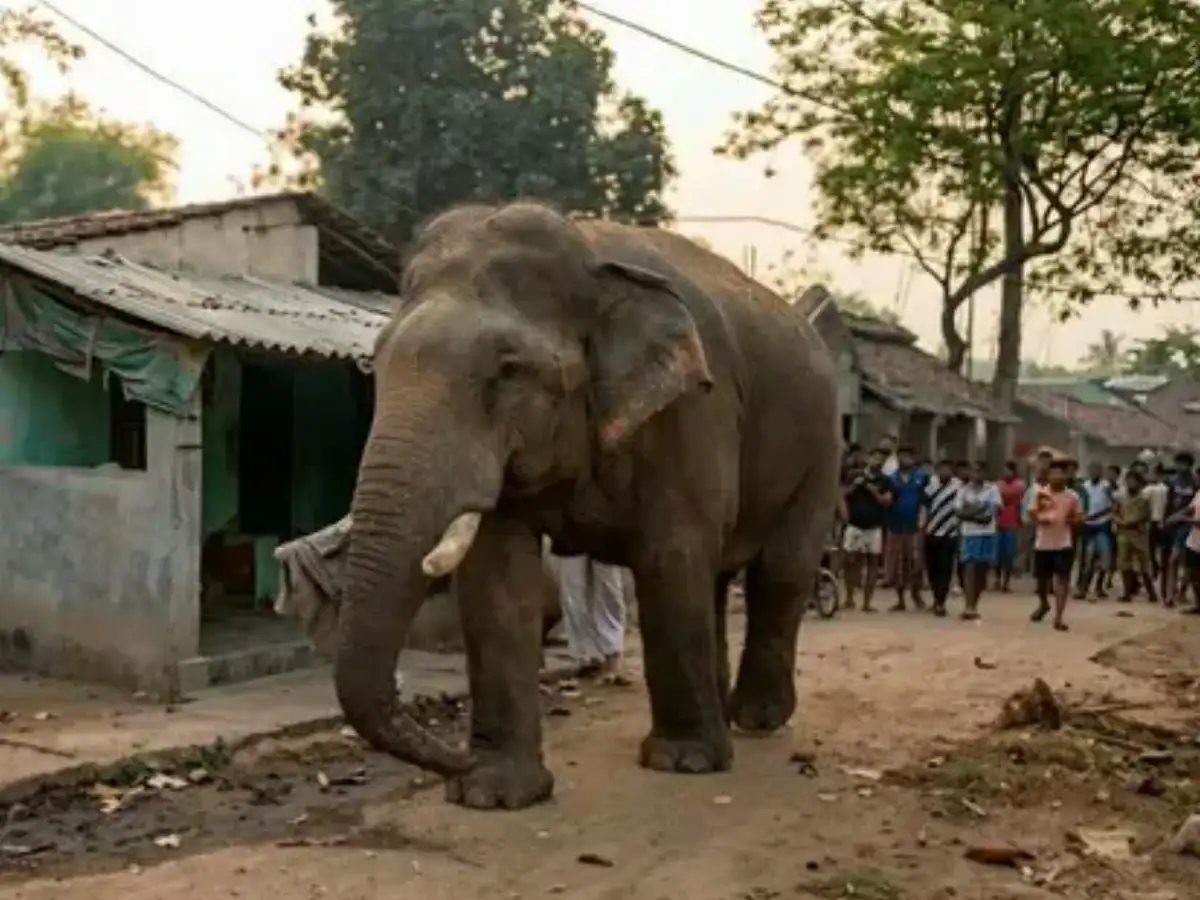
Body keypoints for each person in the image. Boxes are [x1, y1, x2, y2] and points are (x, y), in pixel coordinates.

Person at [550, 550, 631, 684]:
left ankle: (612, 655)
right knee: (572, 590)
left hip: (603, 532)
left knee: (608, 586)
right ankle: (587, 657)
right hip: (569, 533)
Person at [1031, 458, 1082, 631]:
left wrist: (1072, 520)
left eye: (1061, 473)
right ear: (1049, 475)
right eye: (1054, 473)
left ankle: (1059, 617)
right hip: (1043, 542)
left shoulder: (1072, 496)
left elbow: (1080, 517)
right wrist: (1040, 519)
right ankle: (1044, 603)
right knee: (1042, 580)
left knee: (1063, 578)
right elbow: (1031, 514)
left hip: (1063, 542)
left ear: (1066, 476)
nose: (1057, 477)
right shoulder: (1040, 493)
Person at [840, 448, 894, 612]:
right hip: (854, 524)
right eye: (875, 458)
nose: (877, 461)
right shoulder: (853, 475)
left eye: (881, 460)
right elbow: (842, 495)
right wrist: (855, 487)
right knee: (849, 561)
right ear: (868, 458)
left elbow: (887, 501)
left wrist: (872, 490)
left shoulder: (886, 480)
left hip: (874, 526)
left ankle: (867, 602)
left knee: (872, 563)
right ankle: (849, 598)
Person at [954, 461, 1000, 621]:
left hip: (987, 533)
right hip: (969, 534)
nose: (977, 474)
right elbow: (959, 513)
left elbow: (990, 515)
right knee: (969, 567)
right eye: (974, 471)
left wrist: (969, 511)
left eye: (980, 471)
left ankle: (974, 604)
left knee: (982, 570)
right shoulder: (962, 490)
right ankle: (968, 606)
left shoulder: (993, 489)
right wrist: (978, 510)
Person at [885, 445, 927, 611]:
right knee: (897, 564)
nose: (905, 459)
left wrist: (923, 523)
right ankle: (900, 599)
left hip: (914, 527)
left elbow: (925, 501)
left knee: (915, 562)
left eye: (908, 456)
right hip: (895, 526)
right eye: (901, 456)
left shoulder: (922, 477)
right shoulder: (890, 478)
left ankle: (916, 593)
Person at [920, 458, 960, 617]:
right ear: (937, 471)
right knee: (932, 568)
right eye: (942, 469)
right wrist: (922, 527)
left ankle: (941, 602)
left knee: (945, 568)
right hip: (932, 532)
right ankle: (936, 598)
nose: (945, 472)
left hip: (950, 533)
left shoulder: (958, 487)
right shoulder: (930, 486)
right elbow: (924, 509)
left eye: (948, 469)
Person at [1113, 468, 1158, 604]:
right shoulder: (1120, 497)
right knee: (1124, 565)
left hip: (1139, 534)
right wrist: (1119, 521)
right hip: (1124, 533)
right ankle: (1127, 593)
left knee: (1144, 565)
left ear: (1139, 483)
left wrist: (1125, 521)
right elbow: (1114, 512)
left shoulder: (1144, 498)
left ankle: (1151, 593)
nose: (1131, 483)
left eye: (1134, 481)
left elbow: (1144, 516)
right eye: (1129, 480)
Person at [1076, 461, 1114, 600]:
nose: (1093, 473)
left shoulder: (1106, 486)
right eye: (1091, 470)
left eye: (1096, 470)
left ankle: (1099, 586)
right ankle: (1083, 588)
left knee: (1104, 557)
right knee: (1087, 558)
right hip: (1087, 525)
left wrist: (1097, 515)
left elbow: (1112, 506)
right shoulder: (1084, 486)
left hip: (1102, 524)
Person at [1163, 452, 1197, 607]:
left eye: (1182, 463)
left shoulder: (1195, 482)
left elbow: (1193, 507)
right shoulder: (1172, 481)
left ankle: (1181, 591)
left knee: (1186, 563)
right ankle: (1170, 593)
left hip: (1190, 526)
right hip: (1174, 525)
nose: (1179, 466)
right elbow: (1168, 503)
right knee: (1172, 560)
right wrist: (1167, 519)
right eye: (1178, 463)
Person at [994, 460, 1025, 592]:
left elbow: (1006, 494)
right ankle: (996, 579)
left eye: (1007, 470)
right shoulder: (999, 484)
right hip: (998, 521)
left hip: (1012, 522)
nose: (1005, 472)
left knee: (1009, 554)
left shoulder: (1019, 484)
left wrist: (1001, 492)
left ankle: (1006, 582)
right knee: (997, 554)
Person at [1146, 464, 1169, 583]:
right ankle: (1158, 568)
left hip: (1154, 522)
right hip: (1162, 521)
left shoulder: (1151, 488)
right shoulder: (1167, 488)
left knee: (1151, 549)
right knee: (1158, 550)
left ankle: (1155, 568)